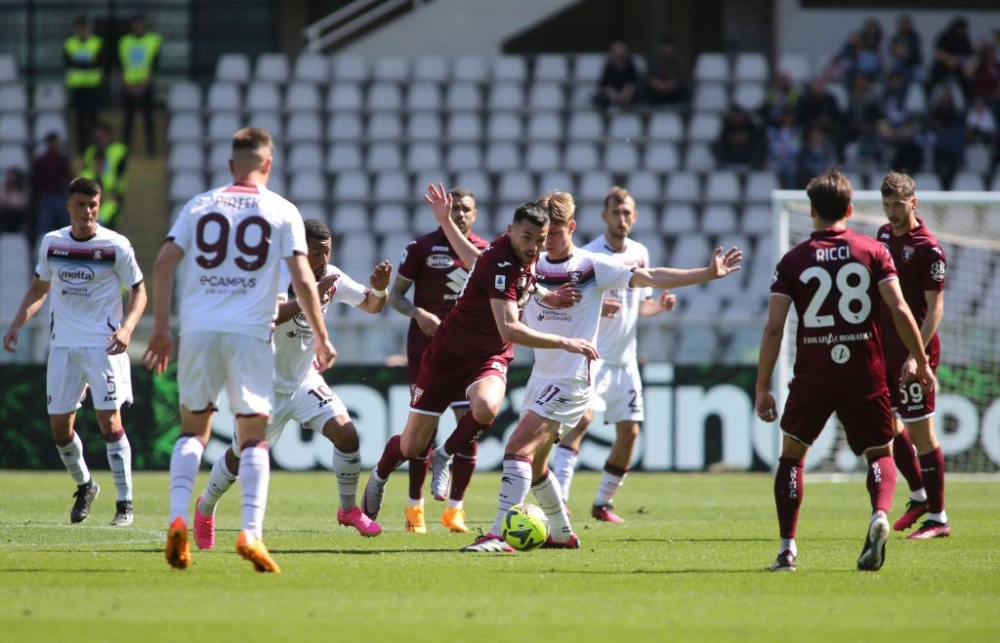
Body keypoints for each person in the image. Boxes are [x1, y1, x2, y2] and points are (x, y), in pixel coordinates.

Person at [460, 191, 742, 552]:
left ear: (571, 228)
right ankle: (562, 534)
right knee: (540, 464)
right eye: (542, 234)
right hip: (541, 377)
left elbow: (651, 276)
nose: (545, 242)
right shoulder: (529, 261)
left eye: (554, 233)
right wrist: (447, 225)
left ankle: (499, 535)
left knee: (517, 448)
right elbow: (478, 260)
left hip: (572, 380)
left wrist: (706, 273)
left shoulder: (591, 266)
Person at [143, 127, 335, 574]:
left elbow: (163, 263)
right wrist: (323, 335)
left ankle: (177, 517)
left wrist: (160, 328)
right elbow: (305, 281)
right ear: (268, 165)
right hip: (250, 332)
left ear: (231, 165)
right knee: (252, 439)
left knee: (193, 432)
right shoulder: (282, 210)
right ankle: (250, 531)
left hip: (199, 330)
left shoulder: (200, 205)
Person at [360, 186, 595, 525]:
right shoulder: (501, 262)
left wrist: (547, 295)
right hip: (447, 355)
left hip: (488, 356)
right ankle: (380, 474)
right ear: (511, 231)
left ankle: (445, 454)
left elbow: (481, 263)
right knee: (412, 446)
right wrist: (566, 342)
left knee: (486, 407)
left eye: (541, 240)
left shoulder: (515, 255)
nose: (535, 248)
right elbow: (510, 329)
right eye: (528, 238)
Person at [755, 168, 935, 573]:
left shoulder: (793, 261)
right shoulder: (874, 251)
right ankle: (880, 515)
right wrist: (921, 362)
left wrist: (762, 386)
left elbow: (773, 328)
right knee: (879, 450)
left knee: (793, 457)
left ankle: (787, 549)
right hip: (864, 369)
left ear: (813, 211)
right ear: (850, 210)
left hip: (815, 373)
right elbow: (901, 309)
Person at [191, 218, 389, 548]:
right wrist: (311, 296)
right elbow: (271, 315)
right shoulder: (276, 275)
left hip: (302, 382)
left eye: (325, 252)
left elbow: (371, 304)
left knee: (347, 433)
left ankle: (348, 510)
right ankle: (205, 507)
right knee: (239, 457)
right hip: (263, 386)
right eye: (313, 253)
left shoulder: (331, 277)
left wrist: (380, 288)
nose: (321, 260)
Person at [3, 177, 146, 527]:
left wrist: (127, 329)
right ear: (69, 206)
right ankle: (86, 485)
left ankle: (125, 503)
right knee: (60, 430)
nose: (88, 211)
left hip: (104, 346)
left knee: (109, 423)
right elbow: (40, 286)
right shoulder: (52, 243)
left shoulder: (116, 246)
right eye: (81, 204)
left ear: (99, 205)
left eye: (93, 205)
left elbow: (139, 292)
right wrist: (17, 322)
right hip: (63, 346)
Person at [551, 187, 676, 523]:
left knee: (631, 431)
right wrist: (593, 301)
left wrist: (658, 307)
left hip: (626, 359)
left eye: (627, 213)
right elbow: (566, 300)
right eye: (615, 213)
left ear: (634, 217)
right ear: (604, 217)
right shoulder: (588, 255)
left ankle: (603, 502)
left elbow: (640, 306)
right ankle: (559, 497)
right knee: (583, 419)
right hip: (596, 356)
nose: (621, 219)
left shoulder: (640, 253)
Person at [387, 187, 489, 534]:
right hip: (426, 352)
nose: (460, 213)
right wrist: (418, 313)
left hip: (467, 354)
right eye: (455, 208)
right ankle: (415, 506)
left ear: (474, 214)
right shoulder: (421, 248)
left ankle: (455, 509)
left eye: (466, 209)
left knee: (468, 426)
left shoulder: (484, 253)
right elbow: (395, 296)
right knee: (423, 433)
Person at [877, 172, 950, 539]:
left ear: (913, 203)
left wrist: (917, 357)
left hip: (915, 350)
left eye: (898, 205)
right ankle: (920, 495)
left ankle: (938, 518)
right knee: (887, 426)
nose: (892, 212)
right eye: (887, 205)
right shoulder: (883, 236)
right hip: (886, 347)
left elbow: (935, 309)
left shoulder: (928, 247)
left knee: (923, 434)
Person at [117, 14, 161, 156]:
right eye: (137, 25)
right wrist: (126, 84)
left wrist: (144, 84)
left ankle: (151, 149)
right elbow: (120, 65)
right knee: (128, 119)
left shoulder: (153, 41)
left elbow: (155, 66)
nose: (139, 28)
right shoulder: (124, 42)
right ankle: (125, 149)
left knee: (148, 118)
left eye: (141, 25)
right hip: (128, 85)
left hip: (145, 85)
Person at [63, 16, 104, 155]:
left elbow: (98, 63)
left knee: (93, 118)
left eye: (84, 27)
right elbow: (69, 64)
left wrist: (81, 64)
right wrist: (87, 64)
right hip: (78, 87)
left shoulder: (97, 43)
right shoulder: (69, 44)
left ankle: (94, 147)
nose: (82, 30)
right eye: (79, 28)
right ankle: (81, 148)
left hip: (92, 86)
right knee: (79, 119)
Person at [30, 133, 72, 252]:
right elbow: (68, 176)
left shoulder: (41, 160)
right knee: (55, 223)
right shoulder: (57, 159)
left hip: (51, 195)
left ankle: (46, 246)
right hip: (53, 195)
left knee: (49, 223)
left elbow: (35, 180)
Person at [80, 123, 128, 229]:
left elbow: (122, 172)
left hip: (111, 193)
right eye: (97, 137)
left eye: (102, 136)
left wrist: (117, 192)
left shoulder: (119, 150)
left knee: (110, 222)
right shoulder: (90, 152)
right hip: (94, 195)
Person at [594, 41, 640, 109]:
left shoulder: (630, 66)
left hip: (627, 93)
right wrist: (614, 96)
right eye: (616, 50)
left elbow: (632, 82)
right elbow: (605, 85)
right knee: (599, 99)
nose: (619, 53)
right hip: (612, 93)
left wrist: (625, 95)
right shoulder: (608, 66)